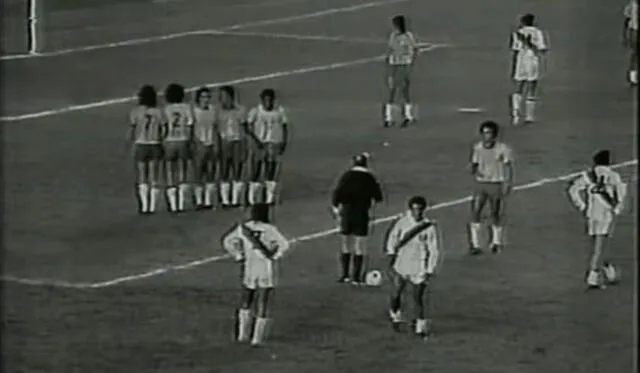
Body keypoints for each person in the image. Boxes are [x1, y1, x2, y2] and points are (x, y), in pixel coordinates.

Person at [222, 204, 290, 346]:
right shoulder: (270, 229)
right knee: (263, 302)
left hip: (250, 266)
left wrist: (239, 255)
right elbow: (284, 245)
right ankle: (257, 339)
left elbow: (228, 241)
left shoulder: (244, 228)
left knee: (246, 299)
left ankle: (242, 335)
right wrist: (275, 255)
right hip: (265, 267)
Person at [567, 150, 627, 289]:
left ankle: (608, 270)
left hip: (591, 215)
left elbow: (573, 190)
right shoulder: (613, 176)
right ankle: (593, 277)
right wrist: (617, 210)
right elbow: (621, 195)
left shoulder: (588, 176)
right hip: (605, 216)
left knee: (597, 245)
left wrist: (582, 206)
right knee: (600, 246)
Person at [385, 196, 441, 339]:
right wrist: (391, 254)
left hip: (419, 265)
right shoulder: (402, 222)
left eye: (420, 210)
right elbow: (393, 237)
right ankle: (395, 315)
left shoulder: (429, 227)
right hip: (402, 263)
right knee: (397, 291)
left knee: (418, 297)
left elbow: (433, 249)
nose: (417, 213)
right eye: (415, 209)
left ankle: (420, 327)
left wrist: (430, 269)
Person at [331, 153, 384, 284]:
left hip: (347, 213)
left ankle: (344, 275)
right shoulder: (369, 178)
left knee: (345, 244)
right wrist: (371, 210)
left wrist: (337, 210)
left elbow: (336, 195)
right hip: (361, 213)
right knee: (359, 245)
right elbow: (378, 197)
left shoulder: (346, 176)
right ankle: (356, 276)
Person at [468, 121, 514, 255]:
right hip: (481, 183)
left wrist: (508, 183)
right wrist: (473, 170)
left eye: (489, 133)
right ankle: (475, 244)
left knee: (495, 213)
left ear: (494, 135)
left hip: (495, 183)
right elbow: (474, 163)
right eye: (484, 133)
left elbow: (508, 166)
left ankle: (496, 242)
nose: (486, 136)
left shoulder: (503, 149)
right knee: (476, 211)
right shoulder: (477, 148)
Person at [246, 89, 290, 206]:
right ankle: (252, 198)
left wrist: (284, 142)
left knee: (270, 169)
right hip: (260, 143)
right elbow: (248, 127)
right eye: (265, 100)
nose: (268, 103)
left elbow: (285, 127)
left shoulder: (280, 111)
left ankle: (269, 198)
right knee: (256, 169)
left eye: (270, 100)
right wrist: (256, 140)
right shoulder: (255, 111)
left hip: (274, 143)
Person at [128, 85, 164, 214]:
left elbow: (132, 130)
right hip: (155, 144)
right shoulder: (158, 112)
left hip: (141, 144)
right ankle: (153, 206)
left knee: (142, 176)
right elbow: (163, 130)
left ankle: (144, 206)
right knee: (154, 177)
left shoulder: (136, 111)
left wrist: (131, 144)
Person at [510, 13, 548, 125]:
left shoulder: (517, 33)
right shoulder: (537, 32)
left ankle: (515, 113)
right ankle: (529, 116)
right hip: (532, 61)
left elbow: (515, 49)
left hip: (520, 61)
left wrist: (513, 66)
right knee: (532, 87)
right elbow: (542, 49)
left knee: (519, 87)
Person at [162, 83, 194, 212]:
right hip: (183, 140)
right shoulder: (186, 108)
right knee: (182, 171)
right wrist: (190, 140)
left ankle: (173, 205)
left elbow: (163, 126)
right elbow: (190, 124)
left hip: (169, 141)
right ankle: (181, 204)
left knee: (170, 171)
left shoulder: (166, 109)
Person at [383, 15, 419, 128]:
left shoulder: (407, 36)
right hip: (396, 65)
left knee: (404, 90)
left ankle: (407, 116)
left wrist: (410, 61)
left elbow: (414, 49)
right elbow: (390, 51)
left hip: (403, 65)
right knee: (393, 90)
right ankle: (388, 117)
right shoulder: (395, 36)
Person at [216, 86, 248, 208]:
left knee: (237, 170)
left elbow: (244, 129)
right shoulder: (217, 111)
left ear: (230, 97)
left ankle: (235, 200)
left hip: (237, 142)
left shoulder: (241, 110)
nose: (221, 99)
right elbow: (216, 129)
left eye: (223, 96)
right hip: (224, 142)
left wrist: (244, 146)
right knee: (224, 171)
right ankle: (225, 200)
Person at [192, 87, 219, 210]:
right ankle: (198, 200)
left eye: (208, 97)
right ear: (198, 99)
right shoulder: (194, 112)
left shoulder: (213, 110)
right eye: (203, 97)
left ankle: (208, 201)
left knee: (210, 173)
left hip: (211, 143)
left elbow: (215, 128)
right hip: (199, 145)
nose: (206, 100)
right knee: (198, 173)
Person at [623, 0, 638, 85]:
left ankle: (633, 75)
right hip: (634, 30)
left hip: (634, 30)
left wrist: (625, 34)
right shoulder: (632, 4)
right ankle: (633, 75)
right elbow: (627, 19)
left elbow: (627, 19)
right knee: (635, 53)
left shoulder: (632, 4)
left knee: (635, 53)